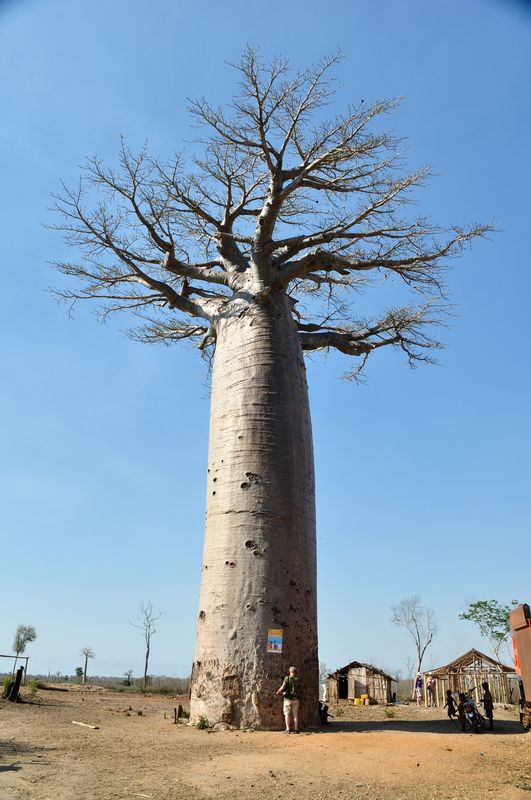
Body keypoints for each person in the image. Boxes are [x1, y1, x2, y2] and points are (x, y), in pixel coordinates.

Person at [276, 666, 300, 733]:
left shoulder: (287, 678)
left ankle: (288, 729)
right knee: (295, 715)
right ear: (296, 672)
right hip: (296, 699)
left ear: (290, 672)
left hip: (287, 699)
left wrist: (278, 691)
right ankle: (296, 730)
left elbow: (283, 687)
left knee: (287, 714)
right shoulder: (298, 680)